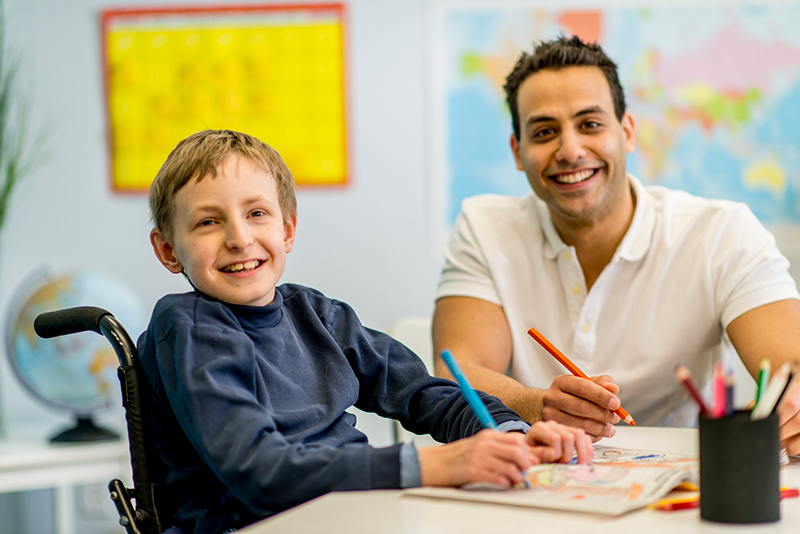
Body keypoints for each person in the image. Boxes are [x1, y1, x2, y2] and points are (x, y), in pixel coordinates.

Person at [138, 129, 592, 534]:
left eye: (256, 213)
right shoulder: (186, 329)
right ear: (168, 250)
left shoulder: (316, 314)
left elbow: (423, 392)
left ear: (287, 229)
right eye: (208, 222)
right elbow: (261, 473)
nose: (239, 238)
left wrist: (509, 432)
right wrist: (433, 463)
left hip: (357, 514)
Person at [432, 35, 800, 454]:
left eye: (590, 125)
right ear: (518, 151)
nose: (570, 151)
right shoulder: (483, 227)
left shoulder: (723, 232)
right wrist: (537, 405)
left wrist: (793, 404)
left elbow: (791, 370)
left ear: (626, 132)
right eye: (545, 131)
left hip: (684, 487)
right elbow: (455, 372)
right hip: (540, 476)